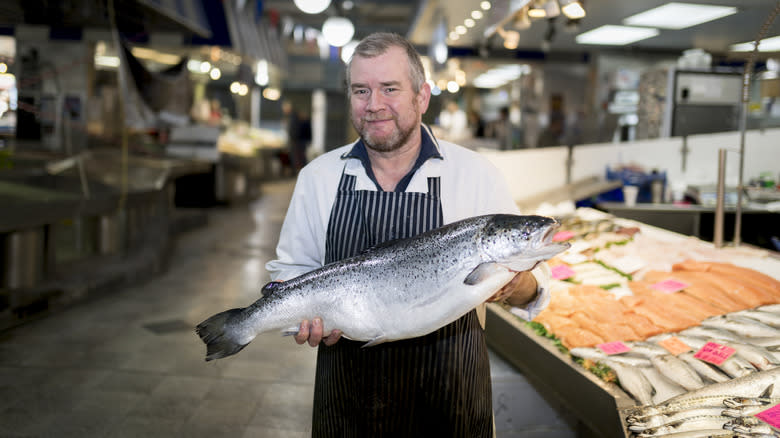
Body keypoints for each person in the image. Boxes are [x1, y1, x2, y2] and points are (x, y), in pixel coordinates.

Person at [266, 32, 551, 438]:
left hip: (451, 400)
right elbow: (291, 273)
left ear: (422, 96)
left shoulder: (474, 174)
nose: (374, 105)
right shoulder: (319, 177)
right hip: (349, 402)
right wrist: (300, 322)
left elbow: (536, 289)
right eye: (361, 90)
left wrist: (513, 285)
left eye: (390, 89)